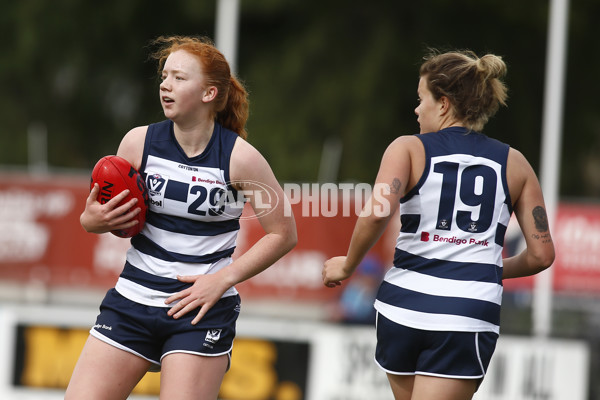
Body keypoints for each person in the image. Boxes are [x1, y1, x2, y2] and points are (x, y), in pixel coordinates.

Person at [66, 35, 297, 400]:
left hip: (200, 309)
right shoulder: (137, 143)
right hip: (132, 301)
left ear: (208, 93)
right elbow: (102, 219)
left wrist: (222, 280)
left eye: (178, 77)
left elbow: (283, 234)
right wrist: (91, 220)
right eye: (164, 76)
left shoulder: (241, 159)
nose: (165, 84)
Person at [322, 49, 555, 400]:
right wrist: (483, 266)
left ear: (443, 103)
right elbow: (541, 255)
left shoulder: (407, 149)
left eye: (421, 99)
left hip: (402, 308)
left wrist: (347, 264)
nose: (417, 109)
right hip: (467, 314)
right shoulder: (516, 164)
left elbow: (376, 212)